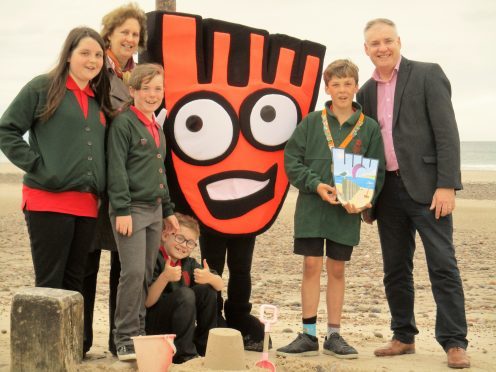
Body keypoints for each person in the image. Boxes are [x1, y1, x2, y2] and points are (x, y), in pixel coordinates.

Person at [356, 18, 470, 369]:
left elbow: (446, 133)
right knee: (395, 269)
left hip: (428, 189)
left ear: (399, 41)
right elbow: (362, 146)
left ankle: (454, 342)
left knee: (443, 266)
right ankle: (403, 336)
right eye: (375, 43)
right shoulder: (364, 93)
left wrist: (447, 184)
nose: (382, 48)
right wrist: (363, 196)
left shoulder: (427, 74)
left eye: (387, 40)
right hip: (386, 191)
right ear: (366, 49)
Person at [276, 59, 385, 358]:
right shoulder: (312, 122)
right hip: (312, 207)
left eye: (347, 83)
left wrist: (364, 200)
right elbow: (291, 161)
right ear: (327, 87)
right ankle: (308, 334)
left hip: (345, 213)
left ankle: (334, 335)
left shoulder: (369, 127)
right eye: (335, 84)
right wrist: (315, 184)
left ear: (355, 86)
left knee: (336, 269)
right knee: (311, 265)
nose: (341, 89)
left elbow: (378, 171)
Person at [0, 27, 111, 297]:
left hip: (86, 207)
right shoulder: (43, 87)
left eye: (98, 54)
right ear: (69, 55)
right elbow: (6, 130)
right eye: (84, 52)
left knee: (75, 287)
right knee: (50, 285)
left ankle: (69, 342)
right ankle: (46, 341)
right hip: (47, 200)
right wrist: (38, 166)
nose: (92, 60)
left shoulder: (98, 99)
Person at [82, 2, 148, 357]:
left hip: (129, 181)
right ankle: (81, 338)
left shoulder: (138, 75)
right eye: (124, 31)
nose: (130, 38)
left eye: (135, 34)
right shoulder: (95, 70)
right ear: (109, 33)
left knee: (125, 264)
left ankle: (118, 338)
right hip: (98, 180)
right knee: (88, 260)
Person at [107, 63, 179, 361]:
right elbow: (117, 170)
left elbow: (159, 172)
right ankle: (124, 337)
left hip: (154, 210)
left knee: (147, 273)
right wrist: (122, 209)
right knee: (133, 272)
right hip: (130, 210)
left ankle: (138, 332)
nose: (152, 94)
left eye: (157, 89)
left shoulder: (157, 129)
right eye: (145, 88)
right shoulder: (123, 124)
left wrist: (169, 210)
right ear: (132, 91)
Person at [145, 213, 224, 364]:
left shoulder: (189, 263)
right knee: (186, 294)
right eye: (179, 238)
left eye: (190, 243)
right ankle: (185, 355)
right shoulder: (154, 259)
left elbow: (220, 285)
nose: (184, 245)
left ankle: (205, 348)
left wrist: (210, 278)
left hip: (182, 327)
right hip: (155, 326)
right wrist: (165, 277)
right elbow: (147, 302)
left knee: (207, 290)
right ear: (165, 235)